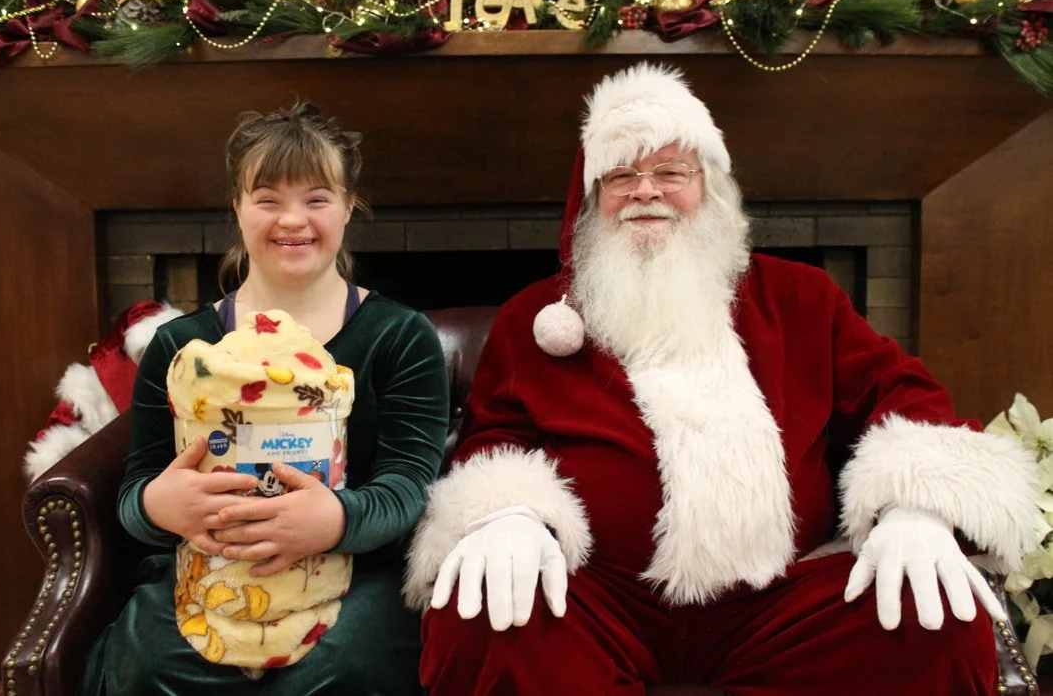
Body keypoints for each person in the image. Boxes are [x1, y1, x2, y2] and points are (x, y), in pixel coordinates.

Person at [405, 63, 1041, 696]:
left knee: (933, 625)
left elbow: (899, 394)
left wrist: (915, 508)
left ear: (708, 186)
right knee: (480, 617)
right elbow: (494, 435)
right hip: (598, 600)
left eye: (670, 172)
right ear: (594, 198)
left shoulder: (803, 298)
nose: (645, 191)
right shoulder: (536, 320)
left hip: (781, 602)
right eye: (621, 175)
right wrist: (507, 514)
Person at [81, 102, 450, 696]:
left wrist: (336, 519)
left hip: (358, 572)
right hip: (205, 572)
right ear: (238, 209)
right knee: (148, 669)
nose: (292, 220)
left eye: (317, 198)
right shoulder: (182, 345)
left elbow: (410, 485)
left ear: (349, 208)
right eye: (269, 198)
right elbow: (135, 492)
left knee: (337, 672)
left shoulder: (400, 336)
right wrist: (156, 505)